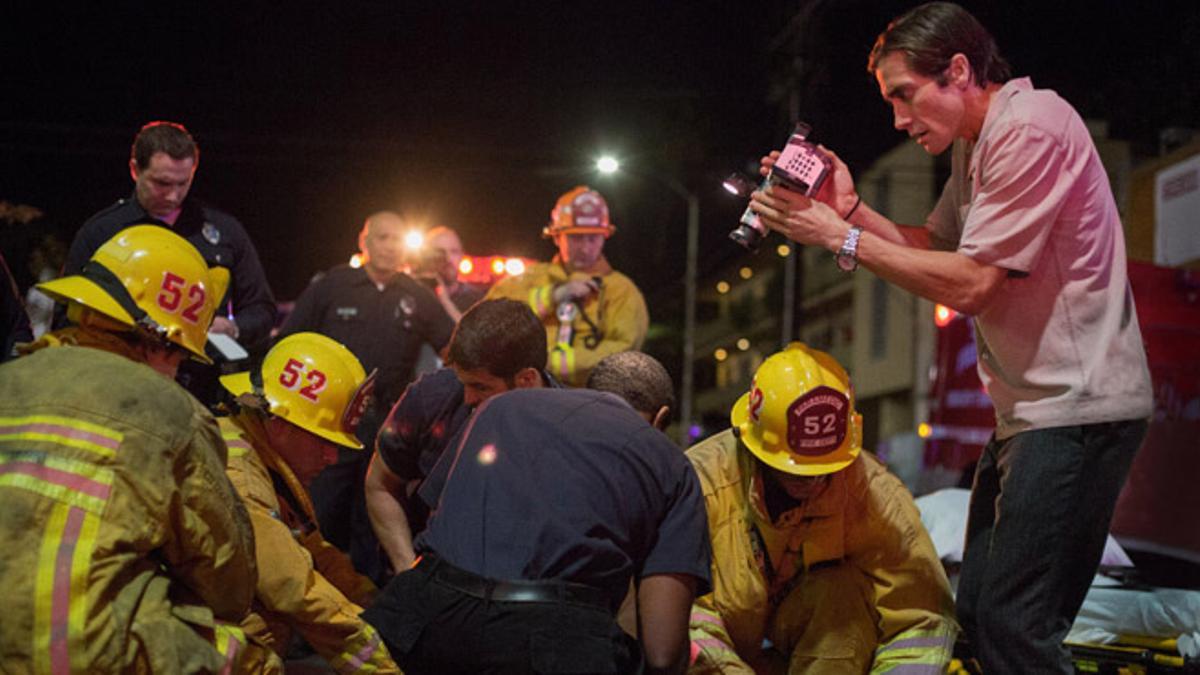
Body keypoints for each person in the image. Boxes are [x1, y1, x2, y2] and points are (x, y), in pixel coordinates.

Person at [748, 4, 1153, 670]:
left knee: (1016, 626)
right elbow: (937, 247)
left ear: (958, 69)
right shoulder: (977, 142)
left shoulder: (1030, 128)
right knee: (981, 616)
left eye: (904, 95)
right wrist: (849, 209)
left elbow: (971, 283)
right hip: (1030, 410)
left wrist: (834, 234)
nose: (899, 120)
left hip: (1077, 409)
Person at [0, 225, 264, 672]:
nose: (177, 374)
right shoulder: (174, 413)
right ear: (159, 343)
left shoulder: (11, 380)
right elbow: (227, 583)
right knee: (245, 650)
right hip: (81, 658)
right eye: (181, 358)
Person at [363, 382, 711, 675]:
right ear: (662, 417)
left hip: (422, 620)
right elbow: (663, 653)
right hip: (553, 645)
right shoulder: (672, 465)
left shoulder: (499, 407)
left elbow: (438, 513)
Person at [685, 343, 956, 673]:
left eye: (823, 467)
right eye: (797, 469)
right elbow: (686, 618)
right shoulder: (700, 485)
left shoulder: (871, 492)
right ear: (756, 446)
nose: (812, 481)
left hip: (815, 655)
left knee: (840, 595)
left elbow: (919, 618)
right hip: (723, 656)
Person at [279, 210, 456, 582]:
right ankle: (305, 597)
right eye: (382, 238)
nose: (390, 248)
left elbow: (455, 348)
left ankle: (365, 602)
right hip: (327, 422)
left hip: (385, 425)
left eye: (397, 239)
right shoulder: (333, 285)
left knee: (373, 517)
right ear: (364, 242)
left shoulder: (417, 296)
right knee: (320, 512)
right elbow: (289, 340)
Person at [217, 332, 399, 673]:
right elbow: (297, 590)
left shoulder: (260, 457)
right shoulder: (241, 478)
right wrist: (386, 667)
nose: (332, 457)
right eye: (323, 441)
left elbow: (314, 553)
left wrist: (379, 606)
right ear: (281, 422)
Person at [367, 298, 555, 573]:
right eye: (461, 381)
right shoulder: (430, 398)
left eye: (481, 386)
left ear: (526, 379)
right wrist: (407, 571)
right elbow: (379, 486)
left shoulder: (568, 428)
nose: (467, 398)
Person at [64, 121, 277, 349]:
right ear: (135, 170)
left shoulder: (225, 230)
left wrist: (233, 328)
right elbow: (66, 314)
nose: (173, 196)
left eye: (183, 183)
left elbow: (262, 309)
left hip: (203, 374)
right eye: (162, 183)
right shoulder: (101, 231)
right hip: (124, 368)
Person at [485, 185, 649, 387]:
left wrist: (546, 365)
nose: (585, 247)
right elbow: (490, 325)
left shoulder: (622, 291)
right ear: (556, 236)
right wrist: (553, 296)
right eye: (576, 237)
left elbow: (623, 352)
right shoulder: (527, 280)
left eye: (593, 237)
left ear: (605, 236)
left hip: (588, 402)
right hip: (527, 397)